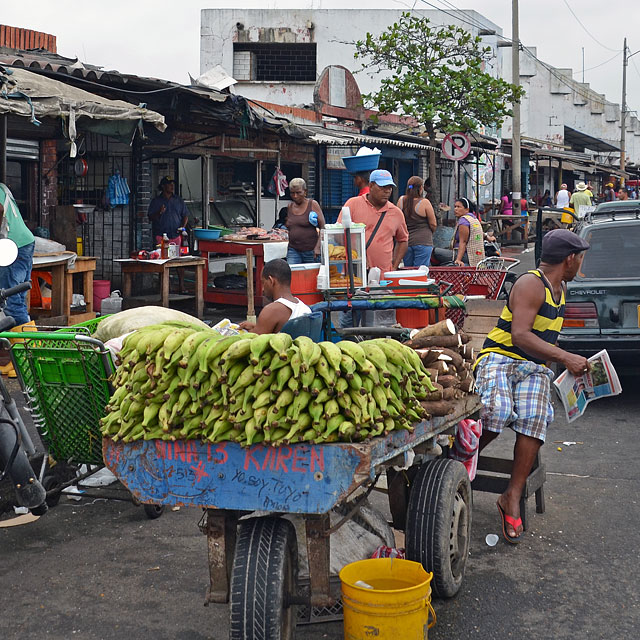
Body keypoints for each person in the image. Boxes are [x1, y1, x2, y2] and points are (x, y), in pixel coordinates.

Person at [474, 229, 591, 543]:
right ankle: (459, 464)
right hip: (499, 357)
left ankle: (511, 495)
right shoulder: (531, 283)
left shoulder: (561, 288)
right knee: (496, 412)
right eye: (580, 256)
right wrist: (566, 357)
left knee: (535, 416)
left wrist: (567, 377)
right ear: (570, 259)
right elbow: (521, 335)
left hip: (533, 369)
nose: (582, 262)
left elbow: (545, 341)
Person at [339, 169, 408, 273]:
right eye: (382, 187)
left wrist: (394, 266)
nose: (387, 191)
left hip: (383, 275)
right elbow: (339, 233)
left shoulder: (396, 213)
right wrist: (357, 255)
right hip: (355, 272)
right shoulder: (352, 204)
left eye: (390, 187)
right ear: (371, 186)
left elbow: (403, 240)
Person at [0, 184, 36, 377]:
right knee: (17, 301)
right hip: (23, 242)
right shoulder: (2, 187)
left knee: (12, 302)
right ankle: (19, 360)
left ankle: (28, 362)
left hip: (11, 246)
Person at [238, 259, 311, 334]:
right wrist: (255, 326)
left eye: (263, 282)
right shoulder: (305, 308)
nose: (262, 289)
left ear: (271, 281)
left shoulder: (271, 310)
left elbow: (255, 343)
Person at [148, 176, 189, 291]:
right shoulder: (156, 201)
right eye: (169, 184)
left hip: (175, 236)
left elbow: (185, 215)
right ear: (163, 186)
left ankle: (181, 285)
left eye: (172, 184)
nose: (172, 186)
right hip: (161, 236)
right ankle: (165, 286)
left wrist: (183, 227)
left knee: (178, 261)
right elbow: (150, 217)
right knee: (162, 261)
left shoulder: (178, 200)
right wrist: (159, 212)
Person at [396, 176, 437, 267]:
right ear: (421, 188)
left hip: (406, 243)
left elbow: (397, 222)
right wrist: (430, 233)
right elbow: (433, 224)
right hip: (423, 241)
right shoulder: (424, 202)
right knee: (420, 272)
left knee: (408, 271)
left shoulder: (401, 201)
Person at [433, 198, 485, 266]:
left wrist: (458, 260)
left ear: (467, 209)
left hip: (465, 255)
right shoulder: (474, 219)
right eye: (455, 207)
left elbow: (463, 242)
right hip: (475, 256)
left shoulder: (464, 221)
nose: (455, 209)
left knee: (432, 251)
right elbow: (477, 233)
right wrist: (487, 237)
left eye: (458, 207)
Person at [285, 178, 325, 264]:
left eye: (298, 193)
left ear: (305, 192)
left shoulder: (312, 204)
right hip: (293, 250)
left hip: (311, 251)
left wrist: (318, 247)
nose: (295, 196)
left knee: (311, 276)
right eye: (292, 193)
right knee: (292, 274)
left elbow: (323, 226)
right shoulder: (290, 206)